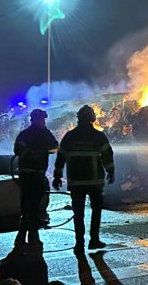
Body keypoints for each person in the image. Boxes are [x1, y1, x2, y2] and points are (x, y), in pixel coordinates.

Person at [53, 105, 114, 252]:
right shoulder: (98, 136)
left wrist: (57, 176)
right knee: (96, 210)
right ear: (92, 118)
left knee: (78, 212)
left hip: (76, 181)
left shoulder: (69, 136)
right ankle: (94, 240)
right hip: (95, 181)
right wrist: (111, 172)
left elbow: (60, 158)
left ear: (79, 118)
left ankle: (79, 243)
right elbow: (107, 156)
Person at [13, 108, 58, 248]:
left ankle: (25, 230)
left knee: (28, 201)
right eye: (42, 119)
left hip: (29, 174)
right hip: (34, 174)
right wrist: (38, 151)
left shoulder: (26, 134)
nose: (44, 121)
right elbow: (54, 147)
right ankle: (30, 231)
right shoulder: (42, 134)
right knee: (33, 202)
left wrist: (38, 150)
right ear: (37, 119)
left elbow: (55, 147)